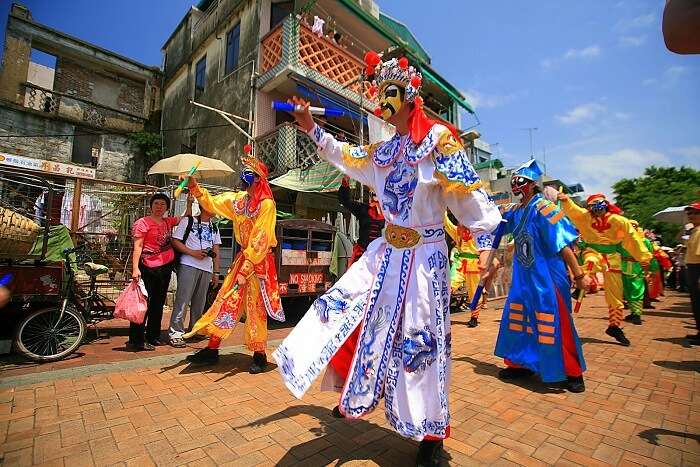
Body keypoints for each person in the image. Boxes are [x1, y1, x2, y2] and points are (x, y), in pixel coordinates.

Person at [273, 53, 501, 467]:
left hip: (425, 258)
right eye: (382, 92)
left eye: (391, 92)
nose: (384, 99)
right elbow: (348, 156)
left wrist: (486, 242)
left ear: (409, 96)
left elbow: (467, 193)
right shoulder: (385, 151)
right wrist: (312, 129)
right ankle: (355, 389)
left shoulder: (438, 142)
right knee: (344, 310)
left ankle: (430, 432)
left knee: (421, 343)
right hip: (387, 254)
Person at [184, 153, 284, 373]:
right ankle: (212, 348)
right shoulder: (239, 200)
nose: (243, 176)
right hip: (242, 260)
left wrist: (246, 269)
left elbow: (261, 239)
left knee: (255, 308)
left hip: (258, 264)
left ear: (258, 179)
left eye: (248, 173)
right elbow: (215, 203)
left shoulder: (266, 205)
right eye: (244, 172)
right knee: (224, 301)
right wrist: (195, 188)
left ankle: (259, 354)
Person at [494, 160, 588, 393]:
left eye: (521, 181)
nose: (516, 185)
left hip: (548, 276)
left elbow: (563, 244)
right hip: (524, 278)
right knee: (520, 319)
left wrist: (578, 275)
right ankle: (521, 364)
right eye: (514, 181)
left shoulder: (546, 208)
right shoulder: (515, 212)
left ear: (532, 184)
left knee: (554, 321)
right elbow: (495, 226)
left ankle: (571, 371)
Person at [558, 192, 651, 346]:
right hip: (593, 251)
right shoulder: (585, 217)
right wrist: (566, 200)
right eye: (593, 206)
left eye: (599, 204)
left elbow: (632, 238)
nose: (597, 209)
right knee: (591, 263)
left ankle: (614, 326)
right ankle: (580, 288)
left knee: (615, 294)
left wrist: (643, 257)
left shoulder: (619, 221)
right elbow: (573, 210)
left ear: (606, 204)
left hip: (613, 256)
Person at [129, 193, 192, 351]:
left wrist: (190, 202)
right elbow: (137, 247)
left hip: (164, 268)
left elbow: (185, 217)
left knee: (158, 303)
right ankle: (137, 340)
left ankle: (153, 336)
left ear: (167, 208)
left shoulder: (167, 221)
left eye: (162, 204)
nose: (159, 207)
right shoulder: (142, 223)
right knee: (143, 304)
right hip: (147, 267)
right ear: (151, 206)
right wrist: (135, 268)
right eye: (156, 203)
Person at [168, 206, 222, 348]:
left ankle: (195, 330)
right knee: (183, 300)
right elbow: (175, 241)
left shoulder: (214, 227)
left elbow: (216, 250)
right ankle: (176, 333)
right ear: (204, 206)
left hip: (206, 268)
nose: (215, 208)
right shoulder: (188, 221)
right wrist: (193, 252)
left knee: (200, 302)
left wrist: (216, 272)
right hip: (188, 264)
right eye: (212, 205)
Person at [443, 211, 495, 327]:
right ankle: (442, 312)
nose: (461, 223)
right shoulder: (457, 231)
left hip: (473, 264)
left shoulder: (477, 232)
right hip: (460, 263)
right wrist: (443, 208)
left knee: (474, 291)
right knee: (450, 284)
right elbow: (446, 223)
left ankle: (474, 317)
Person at [337, 175, 385, 267]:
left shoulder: (388, 214)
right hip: (362, 253)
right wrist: (345, 184)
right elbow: (345, 201)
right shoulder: (362, 209)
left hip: (379, 254)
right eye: (374, 194)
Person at [620, 220, 651, 325]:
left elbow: (649, 255)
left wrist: (647, 270)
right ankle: (633, 312)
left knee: (637, 291)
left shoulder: (644, 241)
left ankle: (637, 314)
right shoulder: (621, 240)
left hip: (637, 268)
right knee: (628, 292)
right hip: (624, 267)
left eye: (634, 226)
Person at [685, 202, 700, 344]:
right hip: (692, 267)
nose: (692, 216)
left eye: (696, 213)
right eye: (690, 213)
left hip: (697, 269)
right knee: (696, 303)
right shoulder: (695, 231)